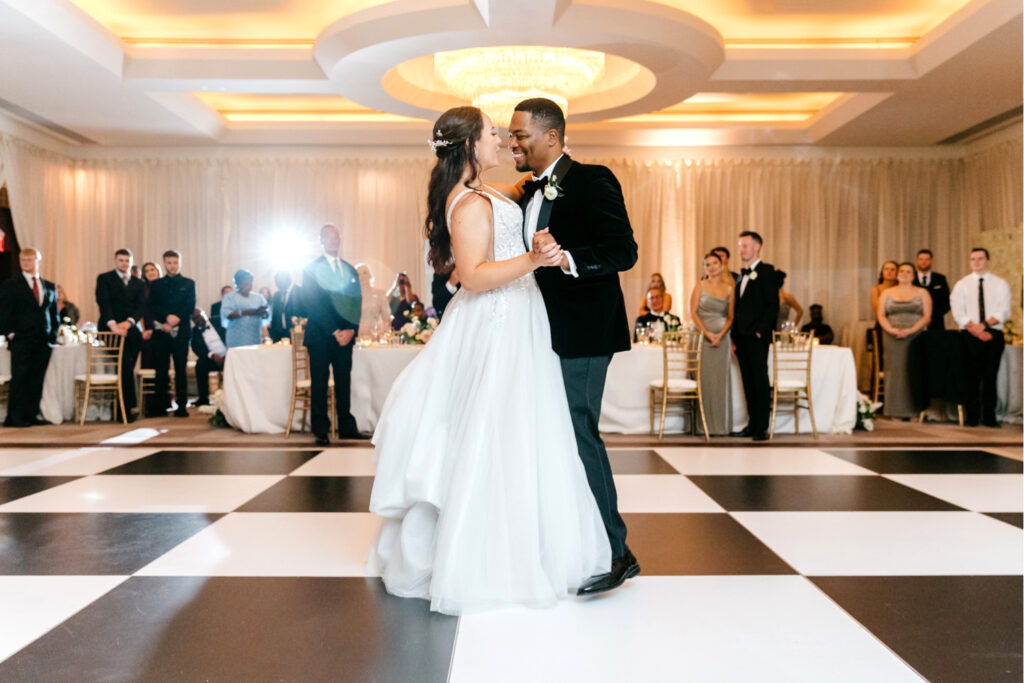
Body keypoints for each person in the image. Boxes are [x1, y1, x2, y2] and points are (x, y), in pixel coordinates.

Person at [369, 104, 615, 616]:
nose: (500, 140)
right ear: (468, 145)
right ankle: (484, 556)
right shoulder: (469, 204)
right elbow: (474, 275)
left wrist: (555, 178)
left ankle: (521, 542)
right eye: (491, 134)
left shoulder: (482, 193)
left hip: (519, 319)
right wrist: (534, 258)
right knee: (490, 430)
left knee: (518, 431)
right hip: (497, 321)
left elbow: (529, 195)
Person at [517, 97, 639, 595]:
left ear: (551, 136)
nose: (513, 144)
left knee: (579, 433)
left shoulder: (593, 179)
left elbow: (623, 251)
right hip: (537, 334)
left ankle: (617, 552)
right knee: (550, 436)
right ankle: (567, 542)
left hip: (585, 332)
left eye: (520, 135)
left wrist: (566, 257)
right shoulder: (526, 191)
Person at [300, 224, 362, 444]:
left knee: (344, 381)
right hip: (319, 335)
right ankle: (321, 430)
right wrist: (335, 330)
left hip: (345, 337)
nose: (334, 240)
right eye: (330, 237)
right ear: (322, 241)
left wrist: (351, 330)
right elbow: (312, 304)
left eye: (337, 237)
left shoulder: (350, 269)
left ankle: (346, 426)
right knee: (320, 382)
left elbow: (355, 302)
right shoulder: (310, 269)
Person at [950, 248, 1011, 427]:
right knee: (971, 376)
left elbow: (1003, 310)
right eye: (973, 259)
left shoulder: (1001, 284)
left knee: (990, 377)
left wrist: (983, 326)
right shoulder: (962, 285)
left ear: (988, 260)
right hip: (969, 335)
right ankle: (972, 416)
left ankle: (990, 416)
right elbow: (958, 311)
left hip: (993, 334)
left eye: (980, 259)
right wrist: (975, 329)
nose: (976, 262)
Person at [0, 248, 59, 427]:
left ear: (38, 261)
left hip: (44, 340)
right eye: (23, 260)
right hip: (21, 339)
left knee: (36, 379)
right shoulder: (11, 285)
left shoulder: (49, 286)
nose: (26, 263)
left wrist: (53, 336)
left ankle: (32, 414)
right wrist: (10, 333)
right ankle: (15, 417)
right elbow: (4, 311)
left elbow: (54, 314)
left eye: (29, 260)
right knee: (20, 378)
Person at [732, 231, 779, 441]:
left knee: (760, 380)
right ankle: (752, 424)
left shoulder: (767, 272)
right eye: (740, 246)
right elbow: (738, 307)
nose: (741, 250)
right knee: (748, 382)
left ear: (757, 247)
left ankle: (762, 426)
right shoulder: (741, 274)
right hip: (741, 336)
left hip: (757, 336)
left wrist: (762, 331)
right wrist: (734, 337)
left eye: (745, 246)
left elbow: (773, 306)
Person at [95, 248, 146, 420]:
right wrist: (113, 325)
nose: (124, 263)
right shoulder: (105, 278)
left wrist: (128, 323)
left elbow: (140, 307)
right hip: (110, 330)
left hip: (131, 331)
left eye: (127, 261)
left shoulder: (139, 283)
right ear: (115, 261)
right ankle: (128, 408)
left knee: (127, 368)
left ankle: (117, 407)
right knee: (123, 365)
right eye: (121, 260)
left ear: (131, 263)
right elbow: (104, 302)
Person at [877, 263, 932, 419]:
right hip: (891, 336)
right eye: (901, 271)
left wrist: (911, 330)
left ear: (914, 275)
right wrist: (891, 329)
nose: (904, 274)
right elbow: (881, 315)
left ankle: (915, 411)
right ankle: (894, 410)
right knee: (894, 372)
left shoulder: (922, 293)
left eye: (908, 272)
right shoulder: (886, 293)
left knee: (914, 371)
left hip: (916, 336)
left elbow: (927, 316)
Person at [690, 251, 735, 435]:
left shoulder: (730, 288)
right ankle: (703, 427)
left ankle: (721, 426)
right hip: (701, 339)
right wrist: (707, 333)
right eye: (707, 264)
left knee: (720, 382)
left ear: (721, 264)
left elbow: (731, 316)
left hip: (722, 340)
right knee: (704, 381)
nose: (711, 267)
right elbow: (692, 313)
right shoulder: (699, 286)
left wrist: (720, 334)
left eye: (714, 263)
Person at [149, 250, 196, 417]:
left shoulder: (189, 283)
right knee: (161, 370)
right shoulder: (155, 285)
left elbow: (189, 306)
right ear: (164, 263)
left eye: (175, 263)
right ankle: (161, 406)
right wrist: (166, 319)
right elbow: (153, 305)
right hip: (161, 331)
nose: (172, 266)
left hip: (181, 331)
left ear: (180, 263)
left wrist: (176, 318)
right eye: (169, 263)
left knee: (180, 369)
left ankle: (182, 406)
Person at [221, 269, 269, 349]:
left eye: (250, 282)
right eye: (246, 283)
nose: (249, 285)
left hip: (254, 337)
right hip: (236, 338)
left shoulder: (258, 297)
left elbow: (266, 315)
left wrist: (263, 312)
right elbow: (227, 314)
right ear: (238, 284)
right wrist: (246, 312)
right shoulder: (230, 297)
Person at [190, 308, 226, 406]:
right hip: (212, 359)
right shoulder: (195, 332)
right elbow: (196, 348)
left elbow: (231, 336)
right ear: (193, 321)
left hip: (229, 356)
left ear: (205, 314)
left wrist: (228, 354)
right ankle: (203, 398)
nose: (199, 319)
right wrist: (211, 355)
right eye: (195, 318)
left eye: (200, 315)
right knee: (200, 364)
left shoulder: (218, 321)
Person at [916, 249, 951, 331]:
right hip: (914, 322)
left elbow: (947, 302)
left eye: (926, 259)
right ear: (917, 261)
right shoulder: (911, 279)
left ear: (931, 261)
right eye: (921, 259)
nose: (923, 262)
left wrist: (931, 317)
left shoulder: (940, 279)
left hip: (936, 323)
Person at [356, 264, 391, 339]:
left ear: (370, 275)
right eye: (358, 274)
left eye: (364, 273)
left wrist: (382, 335)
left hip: (374, 336)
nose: (362, 276)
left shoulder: (380, 294)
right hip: (356, 337)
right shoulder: (352, 297)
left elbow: (386, 319)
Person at [268, 271, 299, 342]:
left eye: (279, 282)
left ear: (288, 281)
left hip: (293, 331)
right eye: (276, 282)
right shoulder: (277, 295)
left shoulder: (297, 293)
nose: (277, 285)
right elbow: (274, 315)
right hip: (278, 333)